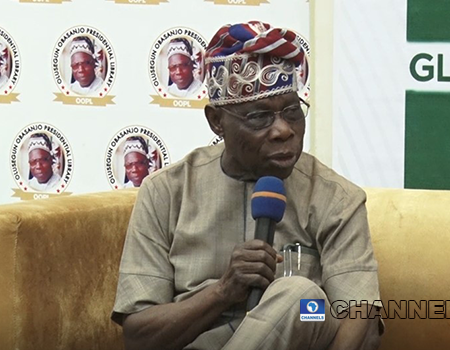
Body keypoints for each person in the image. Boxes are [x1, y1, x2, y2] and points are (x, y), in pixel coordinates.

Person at [112, 21, 382, 350]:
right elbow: (139, 337)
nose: (283, 130)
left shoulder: (337, 199)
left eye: (292, 111)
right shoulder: (165, 192)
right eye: (259, 117)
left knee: (303, 300)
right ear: (217, 122)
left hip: (305, 325)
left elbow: (361, 319)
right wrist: (223, 292)